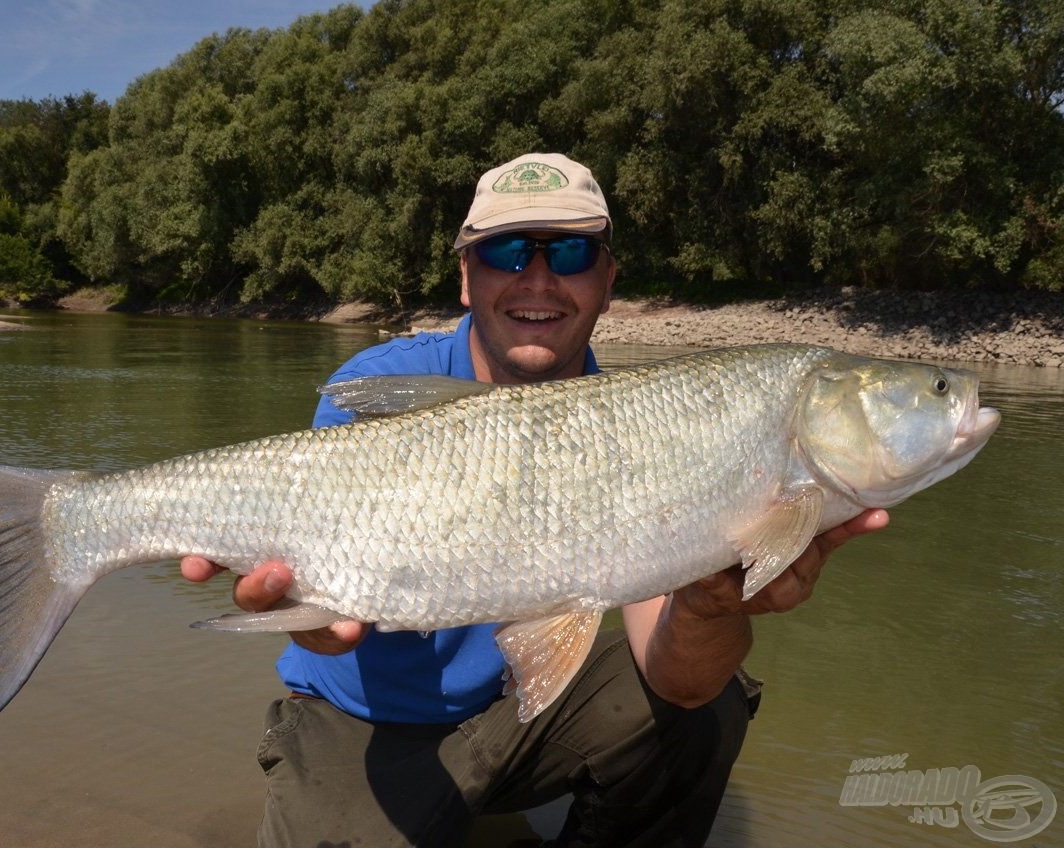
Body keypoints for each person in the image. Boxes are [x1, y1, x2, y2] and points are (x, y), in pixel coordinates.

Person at [181, 153, 888, 847]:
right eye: (508, 251)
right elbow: (314, 615)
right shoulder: (379, 391)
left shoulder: (645, 423)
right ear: (466, 275)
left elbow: (676, 677)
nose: (539, 279)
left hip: (516, 717)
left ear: (608, 279)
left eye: (572, 254)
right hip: (362, 724)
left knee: (709, 709)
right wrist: (303, 619)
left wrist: (711, 604)